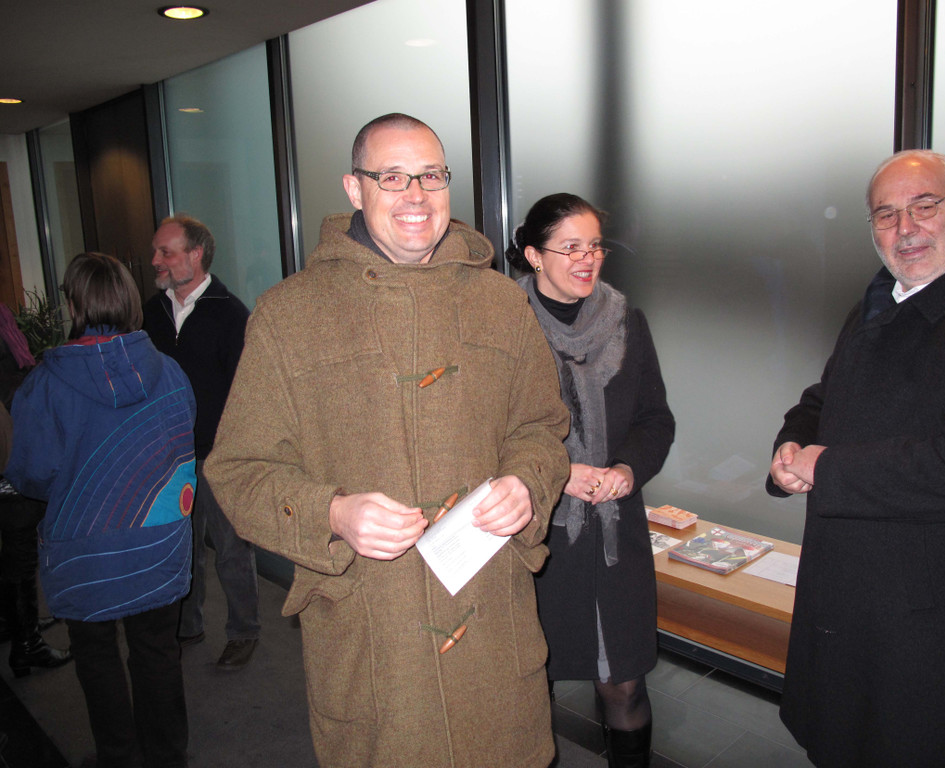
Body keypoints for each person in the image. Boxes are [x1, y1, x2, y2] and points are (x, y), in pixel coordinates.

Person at [203, 113, 570, 768]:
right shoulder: (289, 314)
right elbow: (237, 467)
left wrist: (526, 482)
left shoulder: (501, 303)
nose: (416, 195)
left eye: (431, 176)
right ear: (354, 188)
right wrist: (332, 512)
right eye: (392, 177)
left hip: (494, 623)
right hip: (375, 640)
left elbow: (540, 426)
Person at [767, 149, 945, 767]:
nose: (905, 229)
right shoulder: (883, 298)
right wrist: (790, 444)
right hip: (852, 593)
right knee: (844, 742)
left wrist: (826, 468)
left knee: (920, 745)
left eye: (924, 207)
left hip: (933, 612)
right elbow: (825, 396)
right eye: (886, 215)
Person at [6, 252, 196, 768]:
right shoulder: (169, 371)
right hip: (158, 542)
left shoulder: (45, 384)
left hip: (83, 549)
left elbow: (31, 473)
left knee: (96, 656)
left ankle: (118, 756)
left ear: (74, 304)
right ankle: (167, 757)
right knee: (157, 651)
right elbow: (183, 447)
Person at [506, 193, 675, 768]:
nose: (588, 259)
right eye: (571, 247)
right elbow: (480, 434)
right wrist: (558, 473)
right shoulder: (502, 326)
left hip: (614, 533)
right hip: (533, 532)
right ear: (534, 255)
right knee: (531, 685)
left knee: (623, 684)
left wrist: (627, 470)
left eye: (596, 246)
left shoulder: (626, 320)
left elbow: (655, 419)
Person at [143, 215, 261, 670]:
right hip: (167, 456)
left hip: (218, 455)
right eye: (156, 251)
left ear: (196, 255)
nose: (156, 260)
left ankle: (244, 630)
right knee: (181, 546)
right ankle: (188, 625)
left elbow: (247, 393)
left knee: (230, 547)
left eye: (166, 252)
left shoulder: (230, 314)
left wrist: (234, 451)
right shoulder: (150, 313)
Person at [0, 305, 72, 675]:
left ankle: (19, 625)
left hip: (13, 436)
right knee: (19, 543)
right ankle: (26, 643)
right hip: (9, 447)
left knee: (18, 544)